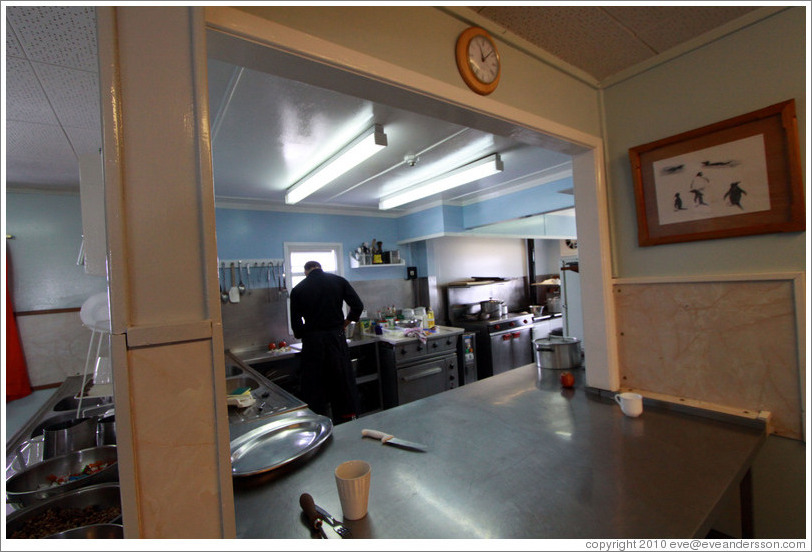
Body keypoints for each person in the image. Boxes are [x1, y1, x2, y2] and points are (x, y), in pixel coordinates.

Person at [289, 260, 364, 424]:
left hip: (313, 343)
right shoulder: (338, 281)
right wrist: (345, 323)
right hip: (335, 339)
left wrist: (306, 333)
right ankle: (346, 421)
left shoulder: (298, 289)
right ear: (320, 268)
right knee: (341, 383)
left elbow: (296, 326)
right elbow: (358, 306)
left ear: (305, 271)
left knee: (315, 386)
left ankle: (319, 424)